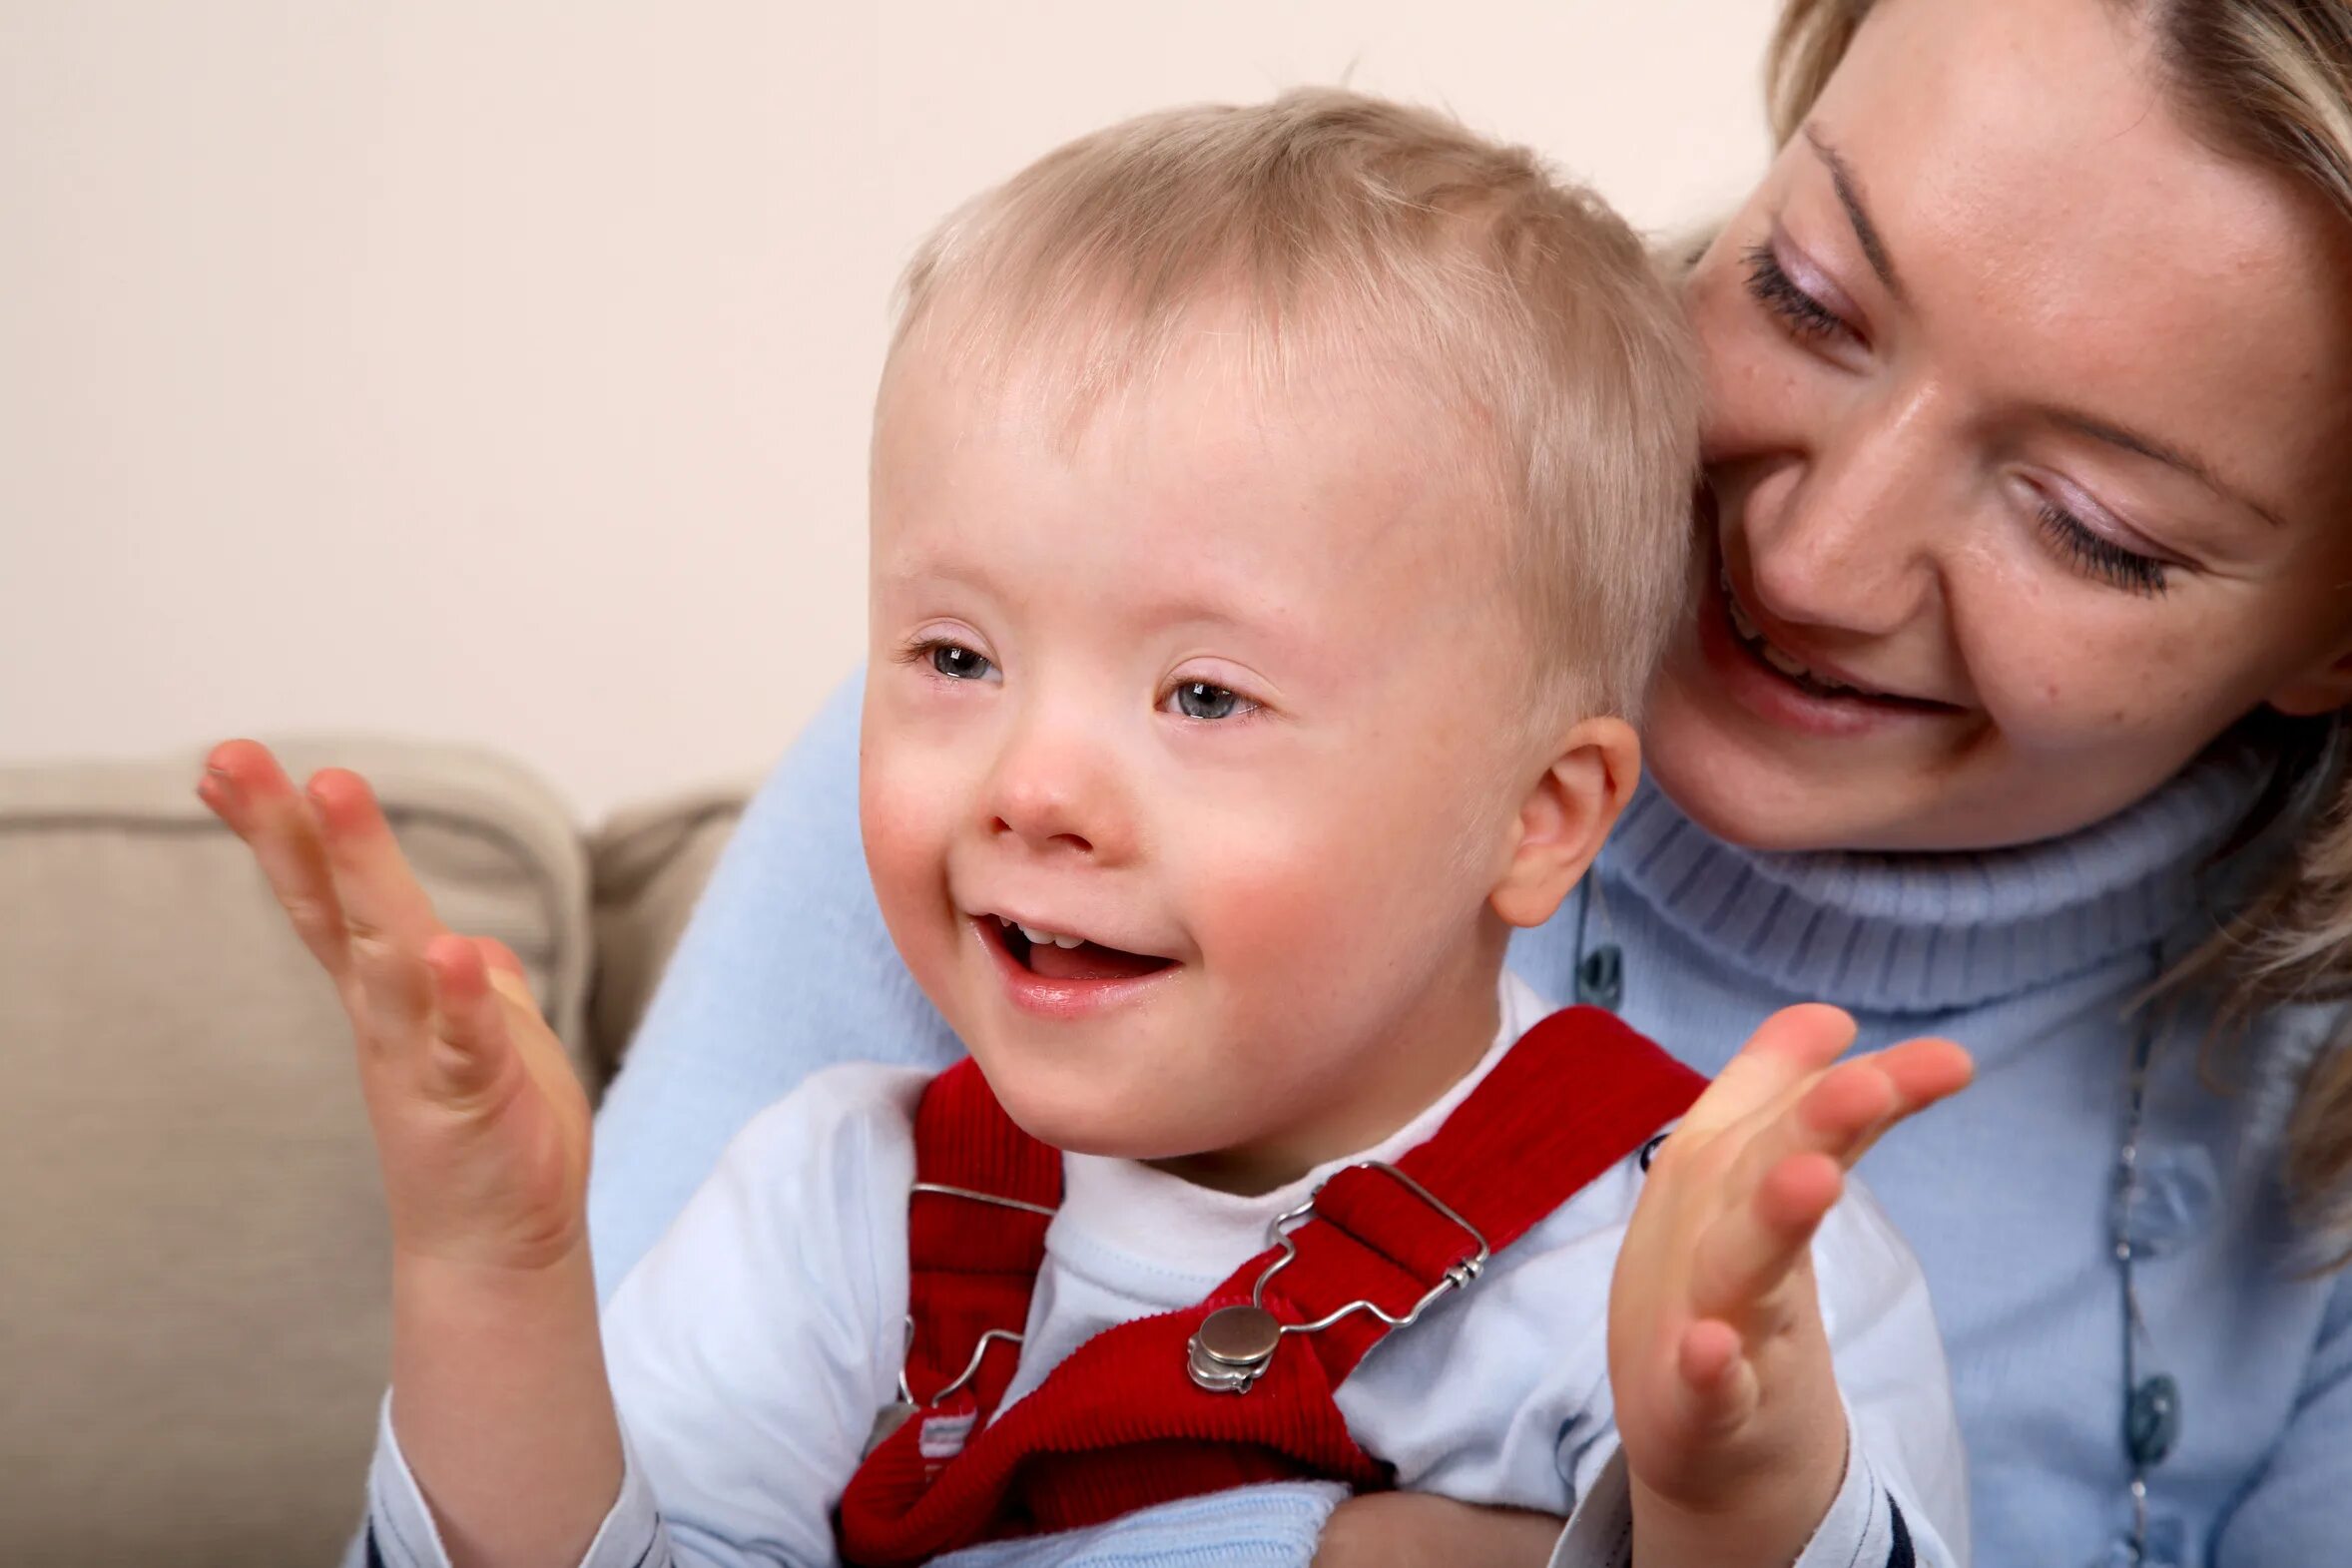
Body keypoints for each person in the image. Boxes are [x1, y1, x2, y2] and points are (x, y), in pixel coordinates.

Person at [560, 2, 2352, 1565]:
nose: (1814, 558)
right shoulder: (1033, 799)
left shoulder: (2301, 1124)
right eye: (1805, 295)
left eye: (2091, 528)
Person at [203, 93, 1976, 1568]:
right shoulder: (847, 1213)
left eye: (1203, 698)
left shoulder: (1682, 1262)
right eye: (957, 655)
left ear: (1537, 816)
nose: (1030, 787)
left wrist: (1726, 1481)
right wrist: (493, 1269)